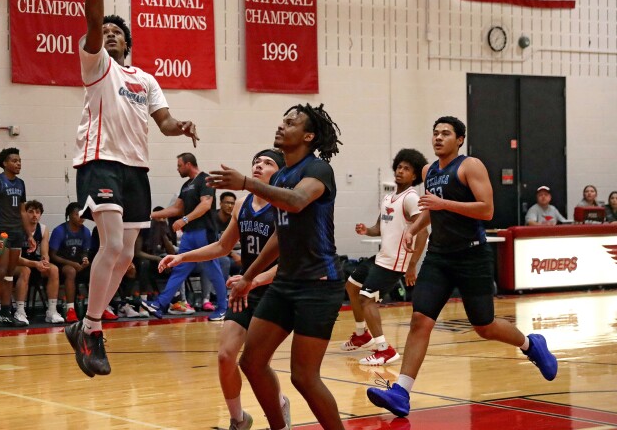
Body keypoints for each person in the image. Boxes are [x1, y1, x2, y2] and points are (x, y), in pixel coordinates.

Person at [65, 0, 199, 378]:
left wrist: (178, 126)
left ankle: (87, 325)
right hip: (100, 160)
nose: (107, 35)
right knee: (111, 246)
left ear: (128, 42)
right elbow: (92, 17)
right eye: (103, 33)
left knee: (124, 255)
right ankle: (94, 329)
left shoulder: (145, 79)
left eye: (115, 33)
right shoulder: (96, 65)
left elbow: (162, 122)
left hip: (136, 170)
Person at [366, 116, 558, 418]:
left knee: (484, 326)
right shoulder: (429, 171)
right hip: (440, 257)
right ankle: (401, 392)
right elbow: (431, 208)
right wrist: (413, 230)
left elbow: (487, 209)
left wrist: (446, 206)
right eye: (435, 133)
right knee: (420, 320)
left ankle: (530, 344)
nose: (438, 138)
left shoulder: (471, 166)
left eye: (446, 133)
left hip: (472, 256)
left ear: (459, 140)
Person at [208, 103, 346, 430]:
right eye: (282, 121)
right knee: (252, 363)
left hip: (319, 284)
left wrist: (246, 182)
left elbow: (296, 201)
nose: (282, 126)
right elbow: (281, 235)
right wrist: (249, 276)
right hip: (285, 284)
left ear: (309, 136)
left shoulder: (318, 170)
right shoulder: (282, 175)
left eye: (291, 123)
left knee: (304, 377)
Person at [160, 149, 288, 430]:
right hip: (248, 289)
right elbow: (221, 247)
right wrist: (182, 256)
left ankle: (279, 407)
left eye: (268, 163)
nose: (259, 165)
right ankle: (239, 420)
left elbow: (290, 262)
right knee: (225, 356)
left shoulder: (284, 208)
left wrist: (253, 279)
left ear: (279, 173)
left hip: (277, 290)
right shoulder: (242, 205)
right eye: (256, 161)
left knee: (257, 362)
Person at [341, 148, 429, 366]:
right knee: (351, 287)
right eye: (399, 166)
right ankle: (362, 335)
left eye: (406, 169)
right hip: (381, 256)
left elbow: (424, 231)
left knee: (367, 299)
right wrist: (366, 230)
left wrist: (412, 265)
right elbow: (379, 227)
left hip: (396, 262)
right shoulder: (389, 197)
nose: (400, 171)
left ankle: (384, 349)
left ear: (415, 175)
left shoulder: (411, 198)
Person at [145, 153, 227, 321]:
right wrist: (150, 215)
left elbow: (205, 205)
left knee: (212, 268)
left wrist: (184, 220)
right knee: (179, 267)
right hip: (190, 234)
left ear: (189, 164)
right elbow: (176, 209)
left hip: (205, 231)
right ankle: (160, 304)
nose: (177, 169)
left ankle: (224, 307)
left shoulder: (206, 179)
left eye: (179, 165)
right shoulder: (186, 185)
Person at [0, 147, 35, 330]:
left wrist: (29, 234)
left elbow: (22, 211)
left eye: (20, 160)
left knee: (9, 273)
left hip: (17, 233)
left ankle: (6, 312)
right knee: (0, 270)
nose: (18, 163)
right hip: (2, 233)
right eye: (14, 160)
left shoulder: (21, 184)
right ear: (5, 163)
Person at [12, 200, 64, 325]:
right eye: (30, 212)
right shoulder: (17, 229)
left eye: (37, 212)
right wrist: (35, 264)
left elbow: (45, 252)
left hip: (33, 262)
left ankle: (51, 311)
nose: (34, 215)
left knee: (53, 269)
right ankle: (19, 311)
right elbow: (16, 258)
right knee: (25, 270)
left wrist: (45, 261)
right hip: (16, 264)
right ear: (24, 214)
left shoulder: (43, 229)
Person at [49, 202, 92, 323]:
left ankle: (103, 307)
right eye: (78, 214)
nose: (81, 217)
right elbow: (53, 255)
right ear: (70, 215)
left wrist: (85, 259)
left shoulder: (86, 231)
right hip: (61, 265)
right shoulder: (60, 230)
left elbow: (85, 251)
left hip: (78, 264)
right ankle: (70, 309)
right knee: (71, 270)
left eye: (83, 214)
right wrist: (73, 264)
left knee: (98, 269)